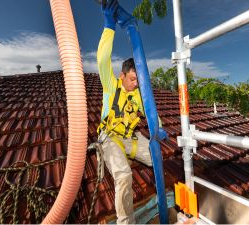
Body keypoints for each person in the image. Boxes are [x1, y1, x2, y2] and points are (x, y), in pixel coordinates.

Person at [96, 0, 153, 224]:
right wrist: (109, 26)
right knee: (124, 176)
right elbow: (102, 59)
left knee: (157, 158)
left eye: (138, 80)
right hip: (109, 138)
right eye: (132, 79)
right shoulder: (111, 85)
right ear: (122, 76)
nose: (135, 84)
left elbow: (149, 110)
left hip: (131, 139)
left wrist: (157, 129)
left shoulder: (138, 94)